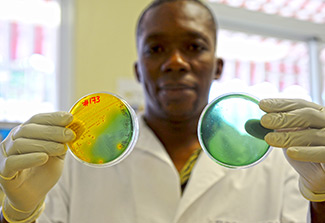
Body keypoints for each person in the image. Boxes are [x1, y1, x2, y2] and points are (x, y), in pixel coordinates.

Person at [0, 0, 325, 222]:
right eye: (156, 49)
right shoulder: (76, 161)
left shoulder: (276, 162)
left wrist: (322, 196)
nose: (175, 62)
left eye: (194, 47)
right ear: (139, 69)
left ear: (217, 67)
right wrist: (17, 212)